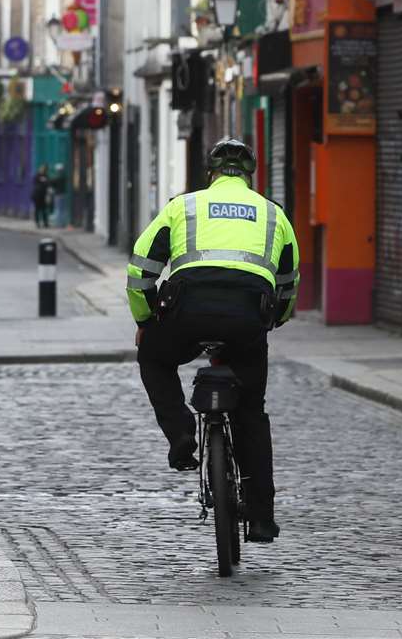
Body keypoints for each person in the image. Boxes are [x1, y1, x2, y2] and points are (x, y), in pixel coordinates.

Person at [127, 138, 299, 544]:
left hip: (186, 313)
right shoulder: (274, 215)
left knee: (154, 359)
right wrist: (275, 320)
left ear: (211, 174)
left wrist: (146, 318)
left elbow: (140, 269)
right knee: (251, 413)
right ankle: (260, 518)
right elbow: (289, 283)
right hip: (246, 319)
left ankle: (182, 435)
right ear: (251, 175)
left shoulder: (182, 206)